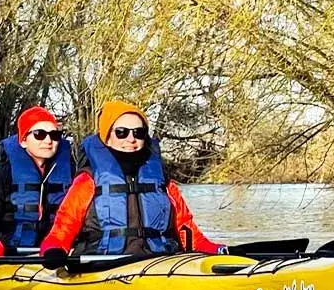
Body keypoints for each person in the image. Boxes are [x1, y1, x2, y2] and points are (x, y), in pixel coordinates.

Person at [38, 100, 225, 265]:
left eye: (139, 132)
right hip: (104, 265)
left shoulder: (163, 182)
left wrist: (218, 251)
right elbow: (63, 227)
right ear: (107, 137)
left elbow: (188, 230)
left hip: (159, 263)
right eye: (121, 132)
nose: (131, 139)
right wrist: (53, 249)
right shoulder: (88, 180)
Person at [0, 106, 76, 250]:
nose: (48, 140)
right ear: (23, 141)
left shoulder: (72, 171)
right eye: (39, 134)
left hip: (55, 253)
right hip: (11, 252)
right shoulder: (3, 174)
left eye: (54, 135)